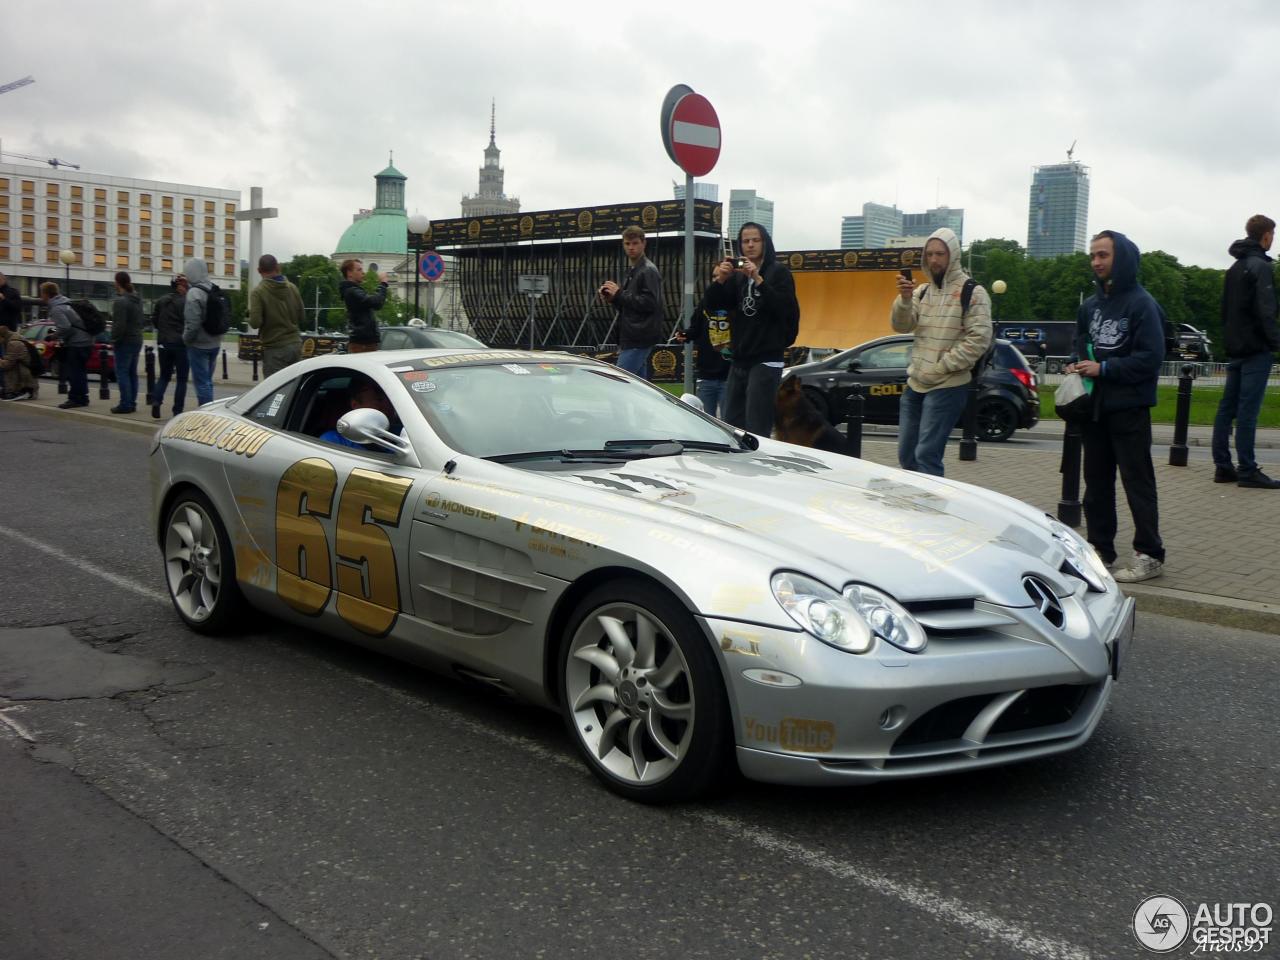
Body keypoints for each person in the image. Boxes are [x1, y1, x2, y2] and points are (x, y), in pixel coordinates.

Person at [1066, 230, 1166, 583]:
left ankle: (1149, 554)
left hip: (1129, 407)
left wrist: (1104, 369)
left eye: (1103, 255)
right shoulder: (1090, 306)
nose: (1096, 262)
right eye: (1093, 255)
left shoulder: (1142, 304)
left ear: (1120, 257)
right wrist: (1077, 363)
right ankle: (1100, 551)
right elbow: (1080, 341)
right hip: (1094, 407)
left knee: (1137, 481)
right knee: (1096, 484)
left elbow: (1152, 357)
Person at [890, 227, 993, 476]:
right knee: (906, 454)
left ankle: (931, 509)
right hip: (916, 382)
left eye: (940, 254)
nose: (934, 260)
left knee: (926, 455)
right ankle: (915, 503)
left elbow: (979, 339)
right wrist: (904, 300)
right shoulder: (922, 291)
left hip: (948, 384)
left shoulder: (973, 292)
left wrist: (942, 365)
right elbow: (901, 325)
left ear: (953, 255)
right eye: (929, 254)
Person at [702, 221, 800, 436]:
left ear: (765, 242)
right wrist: (721, 280)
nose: (750, 245)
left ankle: (759, 464)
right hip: (740, 357)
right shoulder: (737, 277)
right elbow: (712, 306)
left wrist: (758, 279)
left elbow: (785, 309)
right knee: (732, 422)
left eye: (756, 240)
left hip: (766, 357)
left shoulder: (778, 272)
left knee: (757, 423)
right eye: (746, 241)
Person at [1212, 214, 1280, 489]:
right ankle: (1248, 469)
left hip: (1236, 347)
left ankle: (1223, 466)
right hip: (1256, 349)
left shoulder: (1235, 268)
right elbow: (1266, 310)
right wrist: (1275, 342)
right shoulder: (1260, 267)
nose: (1273, 239)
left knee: (1227, 409)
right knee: (1248, 411)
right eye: (1272, 234)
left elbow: (1225, 310)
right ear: (1265, 235)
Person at [599, 226, 664, 379]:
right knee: (640, 389)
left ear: (644, 244)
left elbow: (650, 303)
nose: (631, 248)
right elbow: (631, 306)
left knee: (618, 381)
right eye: (627, 244)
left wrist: (619, 293)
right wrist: (613, 298)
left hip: (638, 337)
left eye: (635, 243)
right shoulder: (635, 270)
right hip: (633, 336)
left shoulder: (647, 270)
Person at [674, 300, 731, 416]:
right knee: (705, 420)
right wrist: (684, 335)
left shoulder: (736, 300)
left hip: (730, 375)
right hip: (706, 374)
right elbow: (695, 329)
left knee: (729, 421)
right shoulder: (705, 303)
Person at [251, 254, 305, 376]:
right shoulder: (293, 288)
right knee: (294, 390)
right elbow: (302, 316)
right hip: (295, 345)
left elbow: (255, 323)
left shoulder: (258, 292)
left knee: (275, 391)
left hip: (275, 349)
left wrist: (248, 314)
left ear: (259, 270)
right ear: (278, 267)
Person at [43, 282, 92, 409]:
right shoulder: (66, 301)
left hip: (77, 343)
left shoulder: (56, 308)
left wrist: (53, 336)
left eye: (42, 293)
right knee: (80, 371)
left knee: (74, 372)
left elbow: (65, 327)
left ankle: (75, 398)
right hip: (87, 340)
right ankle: (83, 398)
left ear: (46, 294)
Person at [182, 258, 222, 407]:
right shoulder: (214, 288)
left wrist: (186, 339)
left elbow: (192, 324)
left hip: (199, 345)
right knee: (208, 381)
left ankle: (207, 413)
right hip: (215, 342)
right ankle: (210, 407)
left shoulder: (194, 293)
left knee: (201, 383)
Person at [319, 376, 398, 449]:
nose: (388, 405)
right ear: (355, 405)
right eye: (379, 400)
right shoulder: (335, 441)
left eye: (389, 400)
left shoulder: (403, 434)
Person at [150, 275, 189, 419]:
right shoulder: (185, 302)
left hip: (164, 342)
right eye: (186, 286)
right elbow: (189, 322)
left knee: (164, 376)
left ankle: (156, 401)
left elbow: (154, 320)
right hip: (180, 343)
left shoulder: (161, 301)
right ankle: (177, 410)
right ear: (181, 287)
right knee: (182, 379)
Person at [109, 271, 144, 414]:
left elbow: (119, 325)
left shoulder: (120, 301)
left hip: (125, 341)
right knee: (132, 373)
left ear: (117, 283)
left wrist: (114, 339)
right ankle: (132, 402)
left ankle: (125, 404)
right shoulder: (137, 299)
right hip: (137, 339)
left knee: (122, 373)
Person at [339, 259, 388, 353]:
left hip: (364, 343)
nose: (363, 273)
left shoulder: (353, 290)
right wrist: (383, 284)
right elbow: (376, 303)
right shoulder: (351, 291)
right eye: (359, 270)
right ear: (349, 273)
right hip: (362, 344)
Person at [0, 322, 39, 401]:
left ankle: (17, 392)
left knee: (7, 366)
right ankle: (10, 390)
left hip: (27, 382)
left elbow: (7, 364)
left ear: (1, 336)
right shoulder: (14, 338)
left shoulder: (14, 343)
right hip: (28, 377)